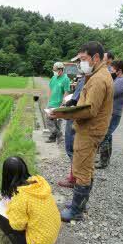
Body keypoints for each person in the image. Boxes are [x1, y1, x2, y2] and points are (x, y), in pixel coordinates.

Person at [49, 41, 114, 222]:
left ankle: (76, 211)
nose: (81, 63)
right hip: (91, 129)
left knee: (82, 168)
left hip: (89, 130)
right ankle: (80, 204)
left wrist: (62, 113)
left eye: (84, 59)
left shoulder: (99, 79)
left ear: (95, 58)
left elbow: (89, 109)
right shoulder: (96, 74)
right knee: (87, 167)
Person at [0, 156, 61, 244]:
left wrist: (10, 209)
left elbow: (18, 226)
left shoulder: (20, 196)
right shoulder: (38, 182)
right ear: (24, 168)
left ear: (6, 175)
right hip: (52, 231)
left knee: (0, 217)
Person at [95, 60, 123, 169]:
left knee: (104, 135)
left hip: (114, 113)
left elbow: (109, 93)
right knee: (108, 136)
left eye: (112, 69)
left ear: (119, 70)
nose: (110, 70)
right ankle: (105, 159)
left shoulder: (122, 81)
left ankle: (104, 162)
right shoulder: (119, 79)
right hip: (112, 112)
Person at [59, 57, 86, 188]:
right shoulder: (85, 77)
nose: (80, 64)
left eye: (82, 60)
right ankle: (74, 177)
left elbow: (74, 101)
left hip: (76, 117)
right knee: (75, 150)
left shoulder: (88, 78)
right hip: (77, 116)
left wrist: (64, 109)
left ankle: (74, 179)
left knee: (72, 149)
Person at [45, 62, 71, 143]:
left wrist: (63, 104)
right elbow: (50, 89)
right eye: (54, 70)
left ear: (61, 70)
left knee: (57, 121)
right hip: (51, 103)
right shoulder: (53, 78)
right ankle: (58, 134)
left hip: (59, 103)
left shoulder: (65, 79)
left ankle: (54, 137)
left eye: (55, 70)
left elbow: (66, 93)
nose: (54, 71)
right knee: (49, 119)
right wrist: (48, 100)